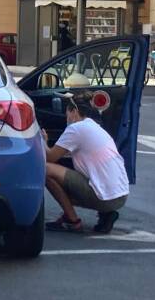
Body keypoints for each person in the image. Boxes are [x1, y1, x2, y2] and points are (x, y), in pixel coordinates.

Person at [43, 93, 129, 234]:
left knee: (46, 170)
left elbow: (50, 157)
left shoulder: (76, 129)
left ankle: (72, 221)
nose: (68, 119)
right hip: (120, 196)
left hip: (105, 199)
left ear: (74, 112)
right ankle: (106, 213)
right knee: (68, 174)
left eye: (68, 115)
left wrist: (43, 141)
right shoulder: (95, 127)